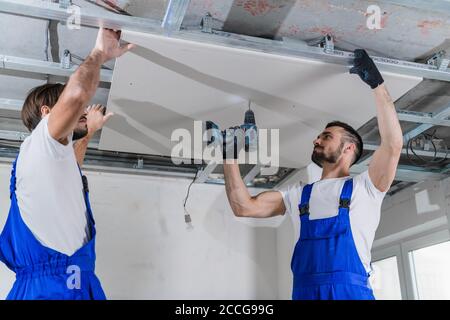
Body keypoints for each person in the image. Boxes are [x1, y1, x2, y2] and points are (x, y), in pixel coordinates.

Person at [222, 49, 403, 300]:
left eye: (326, 136)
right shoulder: (297, 196)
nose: (316, 139)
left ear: (349, 148)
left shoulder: (367, 188)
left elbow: (392, 145)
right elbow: (243, 207)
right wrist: (229, 156)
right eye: (319, 135)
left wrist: (377, 84)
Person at [0, 28, 134, 300]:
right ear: (47, 113)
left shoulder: (50, 160)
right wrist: (99, 53)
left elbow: (71, 169)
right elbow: (75, 97)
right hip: (50, 288)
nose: (84, 110)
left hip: (73, 282)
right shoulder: (39, 143)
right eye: (74, 110)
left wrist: (89, 132)